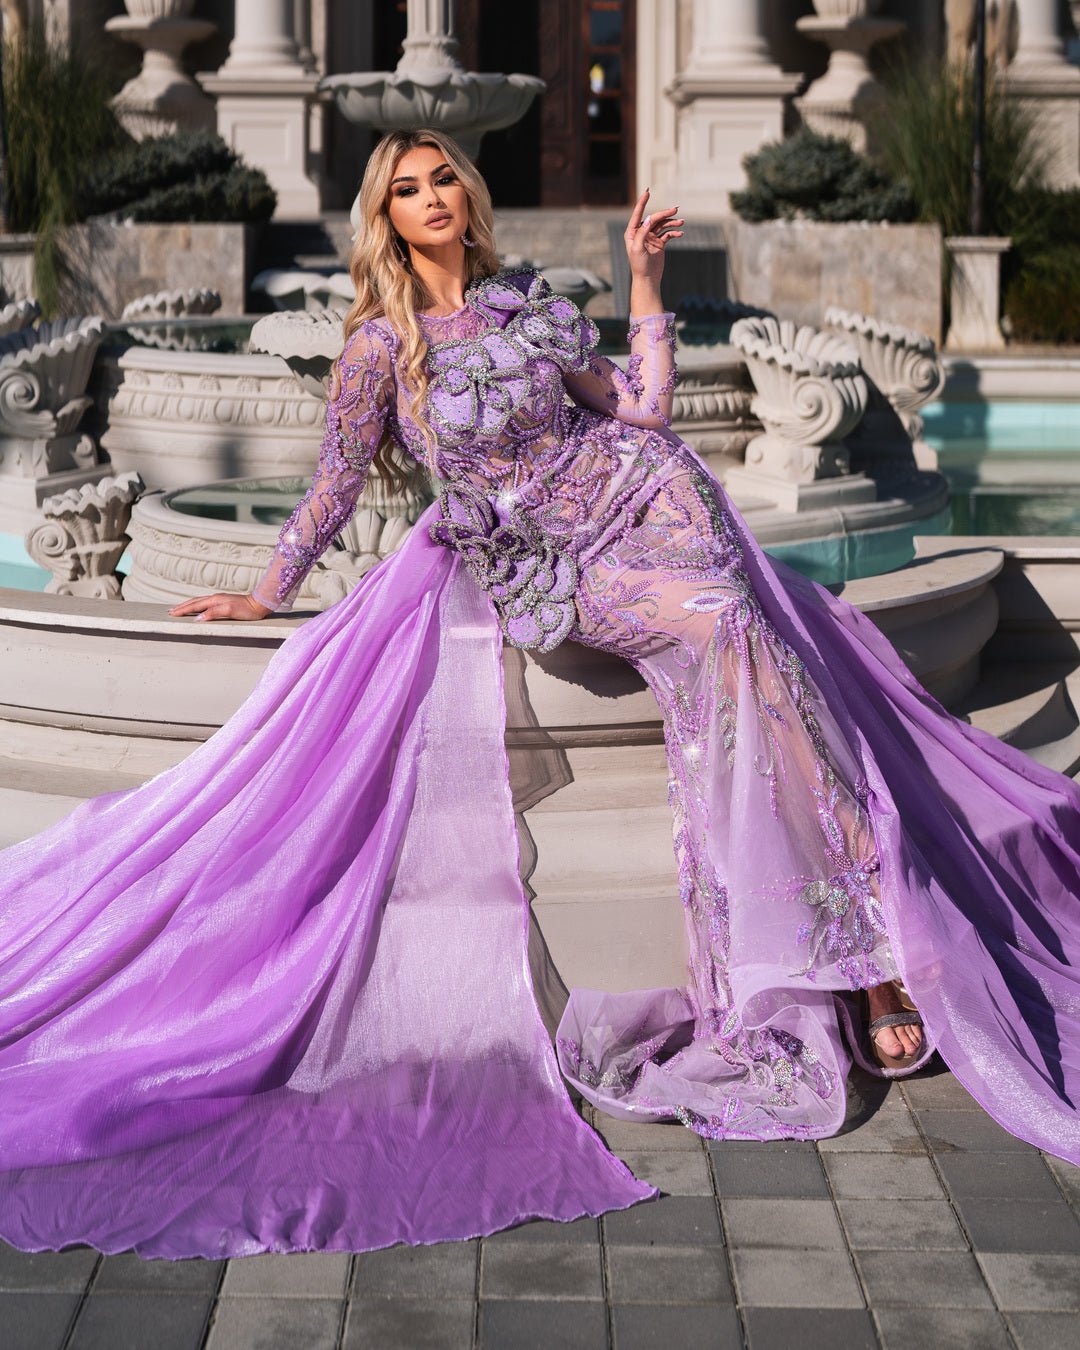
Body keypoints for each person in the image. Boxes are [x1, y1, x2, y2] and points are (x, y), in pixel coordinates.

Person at [2, 130, 1079, 1261]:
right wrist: (262, 588)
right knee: (732, 646)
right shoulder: (382, 343)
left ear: (469, 194)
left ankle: (862, 966)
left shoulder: (526, 304)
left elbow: (642, 410)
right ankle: (856, 956)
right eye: (407, 189)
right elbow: (334, 480)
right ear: (387, 215)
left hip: (651, 503)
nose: (432, 199)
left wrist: (646, 282)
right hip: (556, 564)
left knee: (746, 657)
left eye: (444, 179)